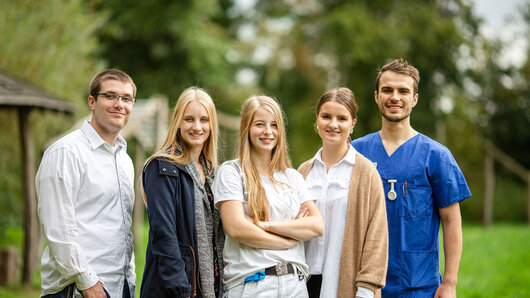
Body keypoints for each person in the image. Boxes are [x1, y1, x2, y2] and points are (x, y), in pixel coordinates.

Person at [352, 58, 471, 297]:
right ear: (376, 96)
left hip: (419, 286)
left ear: (414, 99)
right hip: (364, 284)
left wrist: (449, 283)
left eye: (403, 91)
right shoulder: (355, 152)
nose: (394, 97)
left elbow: (451, 221)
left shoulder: (436, 156)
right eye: (387, 90)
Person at [36, 69, 137, 298]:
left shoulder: (124, 159)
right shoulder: (66, 152)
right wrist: (87, 282)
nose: (119, 104)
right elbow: (58, 228)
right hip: (77, 290)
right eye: (110, 96)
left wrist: (129, 278)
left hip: (119, 287)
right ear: (92, 101)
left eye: (126, 98)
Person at [213, 95, 324, 297]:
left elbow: (316, 225)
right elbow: (236, 228)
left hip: (295, 285)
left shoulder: (292, 177)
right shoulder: (231, 172)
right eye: (259, 124)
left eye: (274, 125)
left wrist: (263, 225)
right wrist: (288, 240)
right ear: (247, 128)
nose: (268, 132)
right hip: (253, 284)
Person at [298, 87, 388, 298]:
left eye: (342, 118)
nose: (333, 124)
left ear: (353, 123)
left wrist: (366, 289)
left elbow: (378, 237)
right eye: (326, 116)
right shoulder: (303, 172)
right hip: (303, 283)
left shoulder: (366, 172)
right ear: (317, 120)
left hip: (347, 285)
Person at [140, 87, 224, 298]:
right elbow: (164, 233)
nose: (197, 127)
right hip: (176, 289)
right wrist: (181, 290)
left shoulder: (213, 173)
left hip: (210, 286)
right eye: (189, 119)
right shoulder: (162, 167)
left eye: (204, 120)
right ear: (177, 121)